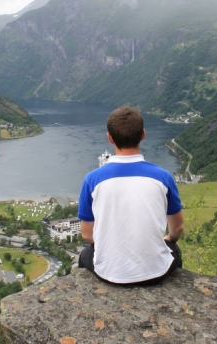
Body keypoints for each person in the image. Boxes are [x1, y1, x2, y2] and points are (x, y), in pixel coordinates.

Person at [77, 106, 184, 285]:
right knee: (174, 249)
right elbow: (178, 228)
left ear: (110, 138)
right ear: (143, 135)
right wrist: (169, 240)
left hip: (109, 274)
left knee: (85, 254)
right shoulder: (163, 177)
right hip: (157, 273)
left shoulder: (92, 180)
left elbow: (87, 235)